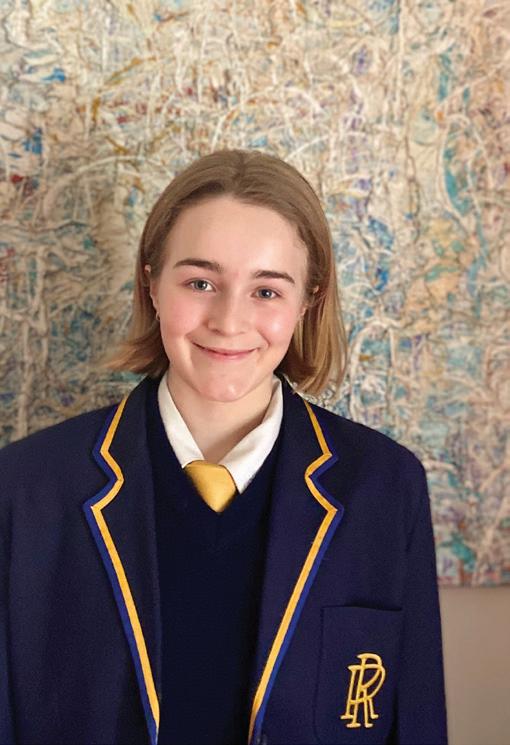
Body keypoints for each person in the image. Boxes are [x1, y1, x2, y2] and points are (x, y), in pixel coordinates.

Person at [0, 149, 447, 745]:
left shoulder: (385, 488)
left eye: (267, 291)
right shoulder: (25, 489)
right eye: (201, 283)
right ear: (151, 283)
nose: (229, 321)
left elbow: (413, 724)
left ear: (308, 302)